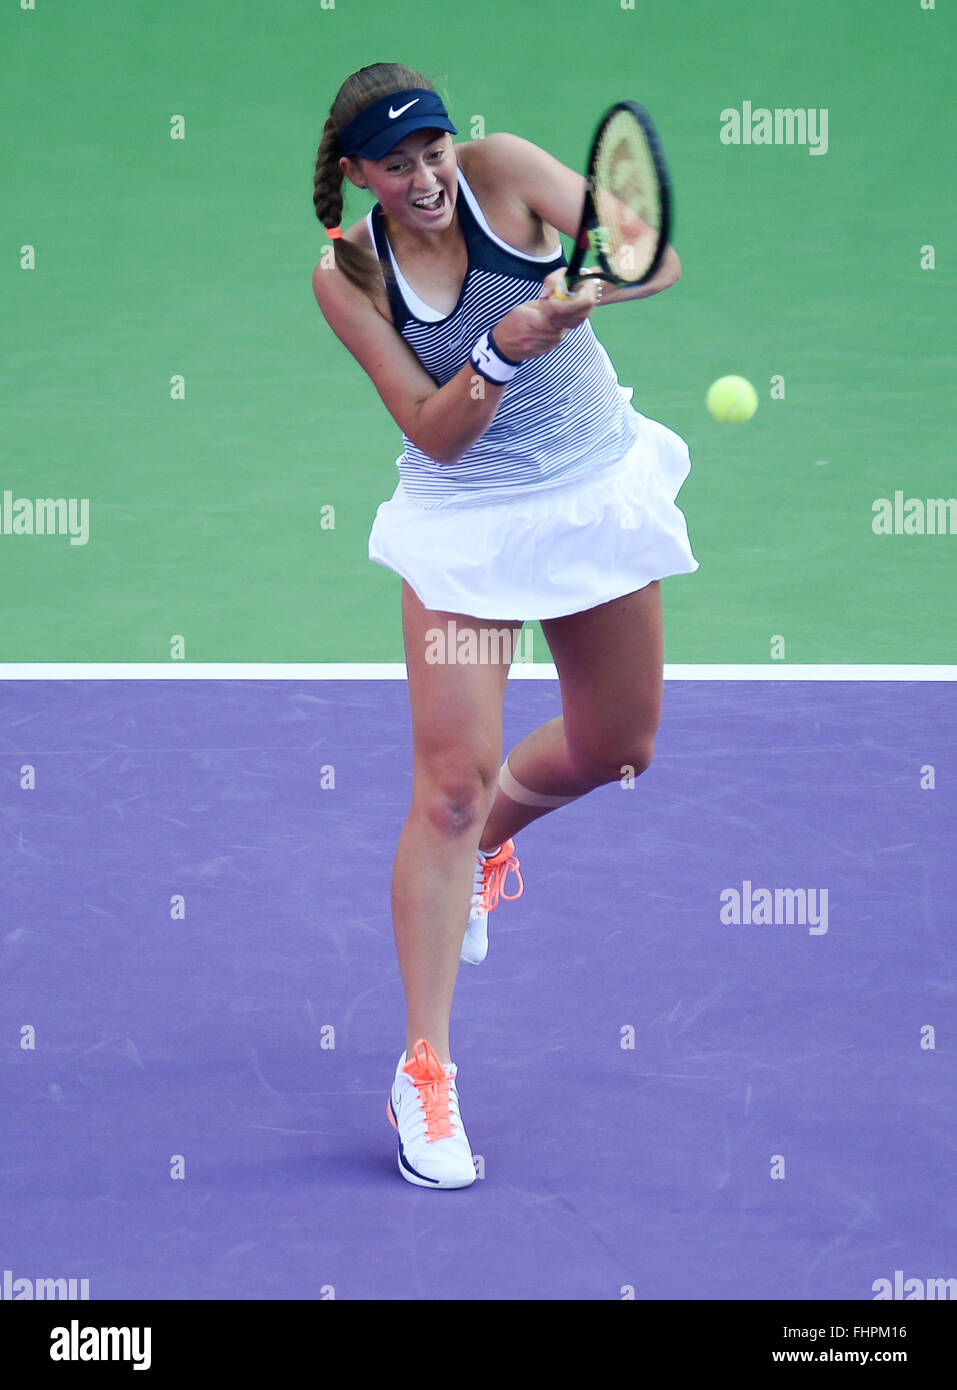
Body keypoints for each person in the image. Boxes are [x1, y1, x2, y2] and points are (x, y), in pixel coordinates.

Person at [311, 63, 697, 1189]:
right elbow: (437, 437)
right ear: (359, 176)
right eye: (397, 163)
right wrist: (503, 344)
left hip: (590, 484)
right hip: (467, 521)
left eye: (433, 148)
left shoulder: (511, 174)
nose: (427, 176)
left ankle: (490, 846)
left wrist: (590, 296)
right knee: (447, 782)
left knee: (618, 746)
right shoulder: (349, 275)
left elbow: (651, 253)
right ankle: (424, 1068)